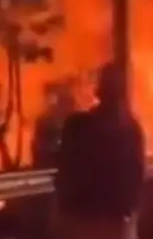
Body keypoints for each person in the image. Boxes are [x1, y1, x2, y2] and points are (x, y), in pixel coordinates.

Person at [55, 63, 145, 239]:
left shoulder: (78, 127)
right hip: (115, 222)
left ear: (99, 90)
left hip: (84, 220)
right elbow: (137, 176)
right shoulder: (130, 129)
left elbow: (67, 171)